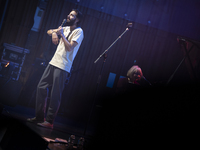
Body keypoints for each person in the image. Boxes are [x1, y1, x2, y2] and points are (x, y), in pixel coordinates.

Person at [27, 9, 84, 129]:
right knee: (41, 87)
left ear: (77, 19)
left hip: (63, 66)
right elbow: (49, 31)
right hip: (53, 62)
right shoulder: (66, 28)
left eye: (72, 15)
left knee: (55, 94)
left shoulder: (79, 31)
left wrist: (61, 34)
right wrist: (54, 33)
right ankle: (39, 117)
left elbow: (69, 48)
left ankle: (49, 121)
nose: (69, 16)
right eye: (69, 14)